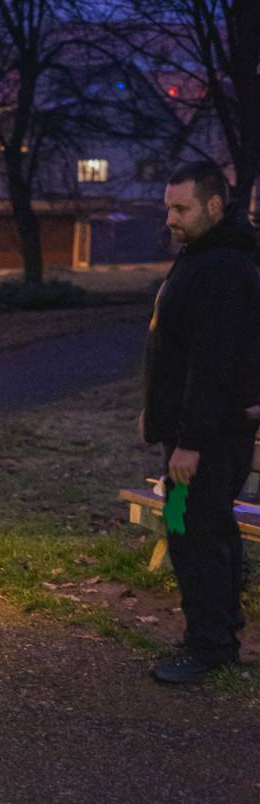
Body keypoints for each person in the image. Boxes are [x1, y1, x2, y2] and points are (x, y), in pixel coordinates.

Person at [142, 162, 260, 684]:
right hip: (194, 435)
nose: (171, 218)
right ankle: (214, 633)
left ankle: (210, 647)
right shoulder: (204, 254)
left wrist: (188, 442)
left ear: (214, 205)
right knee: (196, 527)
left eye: (181, 208)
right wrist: (158, 411)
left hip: (204, 442)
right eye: (168, 207)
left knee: (193, 531)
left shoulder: (223, 267)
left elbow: (212, 363)